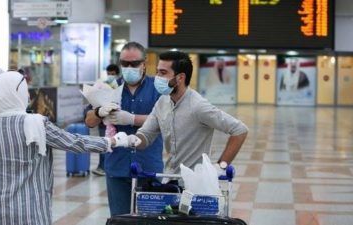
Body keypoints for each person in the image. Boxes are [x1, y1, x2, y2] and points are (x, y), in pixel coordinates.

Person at [0, 71, 136, 225]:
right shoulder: (35, 123)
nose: (28, 95)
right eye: (25, 90)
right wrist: (112, 141)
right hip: (26, 212)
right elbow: (74, 143)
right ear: (17, 93)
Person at [130, 51, 248, 174]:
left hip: (196, 183)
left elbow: (240, 130)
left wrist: (221, 167)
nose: (157, 77)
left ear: (180, 77)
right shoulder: (162, 101)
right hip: (171, 178)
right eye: (157, 71)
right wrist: (123, 141)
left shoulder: (198, 106)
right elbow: (146, 136)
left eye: (163, 73)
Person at [85, 42, 163, 216]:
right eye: (124, 63)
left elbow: (165, 121)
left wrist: (132, 119)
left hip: (148, 165)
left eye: (134, 63)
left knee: (150, 219)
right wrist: (99, 111)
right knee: (120, 218)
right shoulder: (108, 87)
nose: (129, 68)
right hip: (116, 166)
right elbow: (89, 121)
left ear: (144, 63)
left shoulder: (157, 88)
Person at [86, 64, 120, 176]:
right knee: (103, 144)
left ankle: (107, 166)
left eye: (113, 74)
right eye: (109, 73)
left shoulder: (121, 86)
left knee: (114, 145)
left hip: (116, 122)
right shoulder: (101, 85)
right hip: (102, 123)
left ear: (117, 74)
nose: (111, 76)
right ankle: (102, 167)